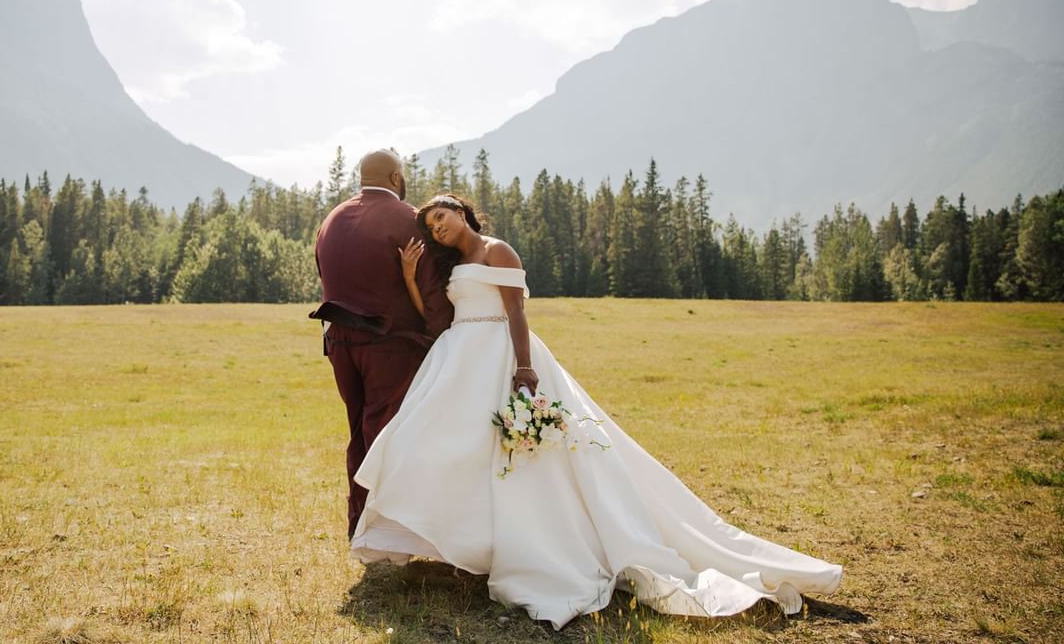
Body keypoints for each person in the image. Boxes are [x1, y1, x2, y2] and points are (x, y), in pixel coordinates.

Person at [350, 193, 843, 629]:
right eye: (431, 226)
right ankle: (463, 545)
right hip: (459, 361)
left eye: (442, 218)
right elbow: (436, 318)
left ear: (462, 211)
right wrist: (413, 277)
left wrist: (524, 369)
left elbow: (517, 312)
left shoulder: (497, 250)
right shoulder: (449, 266)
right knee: (440, 447)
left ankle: (529, 547)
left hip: (500, 356)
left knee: (520, 459)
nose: (438, 229)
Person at [311, 150, 454, 540]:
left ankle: (359, 520)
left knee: (358, 430)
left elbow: (324, 273)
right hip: (389, 345)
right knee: (386, 434)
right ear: (395, 177)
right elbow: (430, 285)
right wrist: (446, 333)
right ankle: (386, 529)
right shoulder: (407, 219)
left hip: (339, 343)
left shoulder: (332, 218)